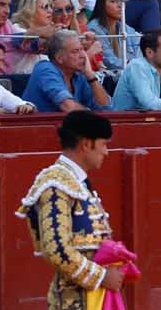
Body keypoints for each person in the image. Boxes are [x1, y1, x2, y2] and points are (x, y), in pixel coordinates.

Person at [19, 111, 129, 307]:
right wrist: (101, 277)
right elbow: (56, 250)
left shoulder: (75, 182)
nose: (106, 152)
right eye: (104, 144)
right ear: (86, 144)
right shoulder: (56, 184)